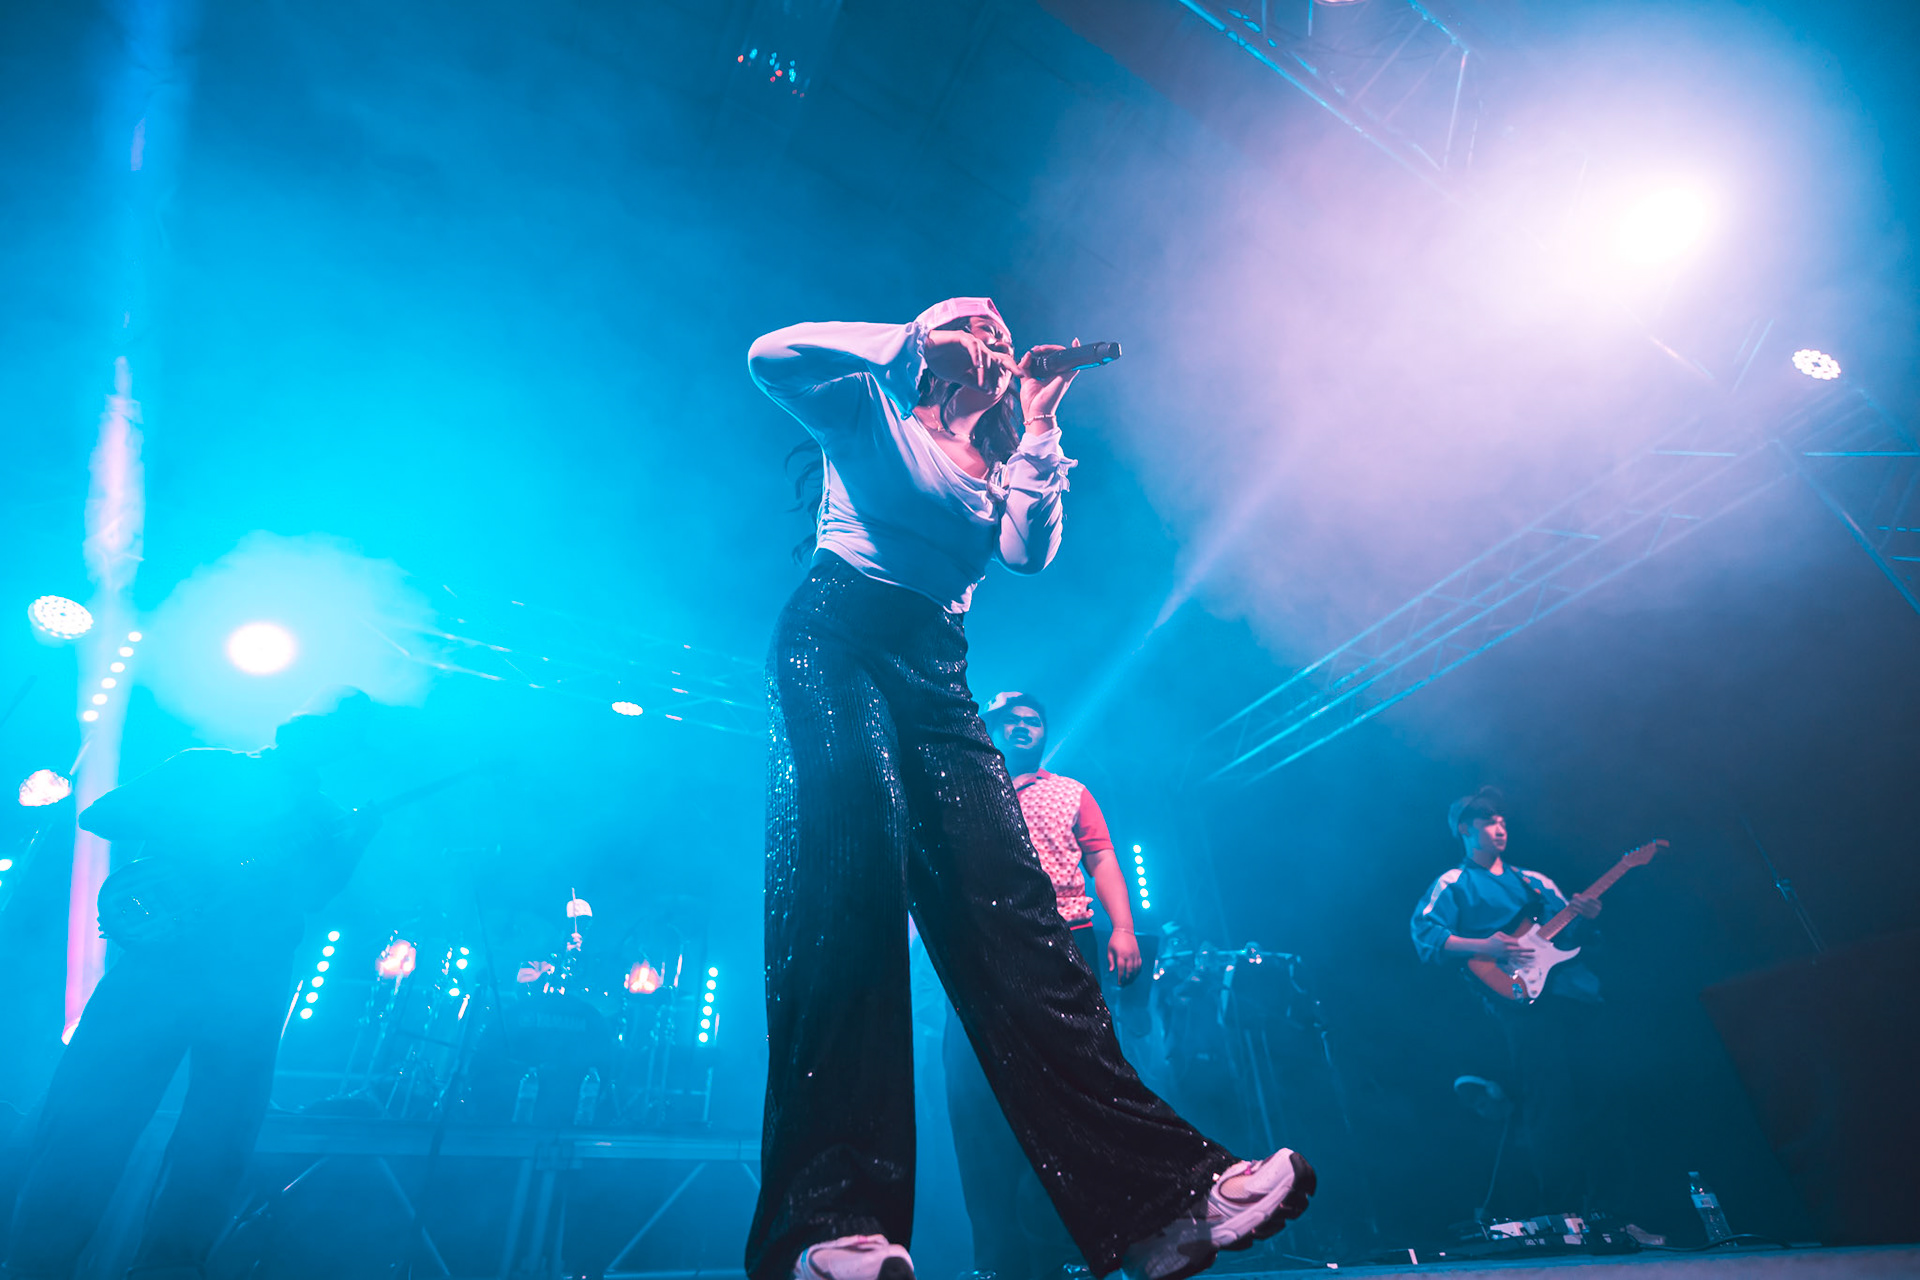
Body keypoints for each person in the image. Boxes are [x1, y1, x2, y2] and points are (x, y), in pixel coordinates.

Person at [746, 300, 1312, 1280]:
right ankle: (828, 1222)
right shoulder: (868, 406)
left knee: (1021, 927)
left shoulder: (1002, 460)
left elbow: (1027, 552)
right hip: (834, 645)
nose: (994, 335)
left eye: (1001, 330)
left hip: (936, 669)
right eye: (970, 320)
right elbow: (768, 356)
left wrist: (1042, 419)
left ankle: (1161, 1204)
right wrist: (903, 343)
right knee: (849, 900)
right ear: (933, 338)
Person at [2, 689, 380, 1280]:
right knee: (98, 1116)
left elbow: (314, 896)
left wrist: (355, 841)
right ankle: (37, 1263)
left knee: (216, 1134)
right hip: (169, 970)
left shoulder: (327, 816)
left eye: (334, 725)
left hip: (246, 981)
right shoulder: (208, 767)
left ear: (339, 747)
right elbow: (101, 815)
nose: (315, 725)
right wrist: (213, 838)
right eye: (319, 715)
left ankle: (154, 1267)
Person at [942, 691, 1142, 1280]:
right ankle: (997, 1260)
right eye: (1011, 721)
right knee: (976, 1093)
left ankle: (1073, 1249)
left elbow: (1102, 858)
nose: (1024, 727)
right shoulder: (964, 788)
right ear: (990, 729)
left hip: (1064, 940)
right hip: (983, 946)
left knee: (1074, 1083)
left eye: (1033, 721)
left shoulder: (1071, 791)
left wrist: (1123, 928)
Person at [1409, 785, 1609, 1215]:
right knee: (1550, 1104)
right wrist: (1488, 946)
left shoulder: (1535, 881)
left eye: (1502, 821)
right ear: (1465, 829)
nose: (1500, 828)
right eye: (1488, 821)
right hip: (1519, 1003)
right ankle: (1568, 1214)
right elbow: (1426, 935)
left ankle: (1613, 1209)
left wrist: (1586, 917)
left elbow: (1572, 937)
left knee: (1600, 1097)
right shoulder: (1454, 882)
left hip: (1573, 994)